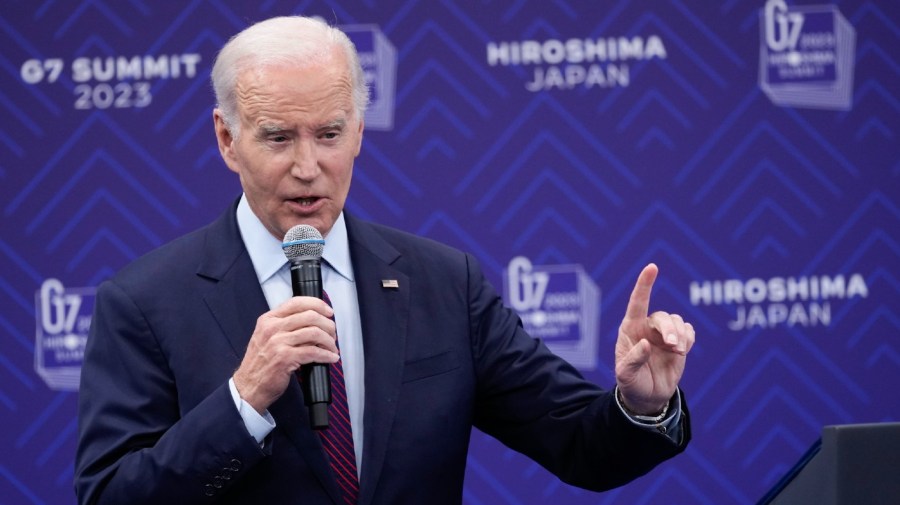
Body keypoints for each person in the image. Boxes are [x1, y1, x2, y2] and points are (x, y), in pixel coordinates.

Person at [74, 15, 695, 505]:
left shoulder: (444, 284)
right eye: (278, 137)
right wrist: (242, 401)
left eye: (329, 133)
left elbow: (580, 446)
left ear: (360, 132)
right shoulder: (146, 303)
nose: (308, 166)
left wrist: (640, 405)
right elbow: (111, 494)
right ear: (226, 139)